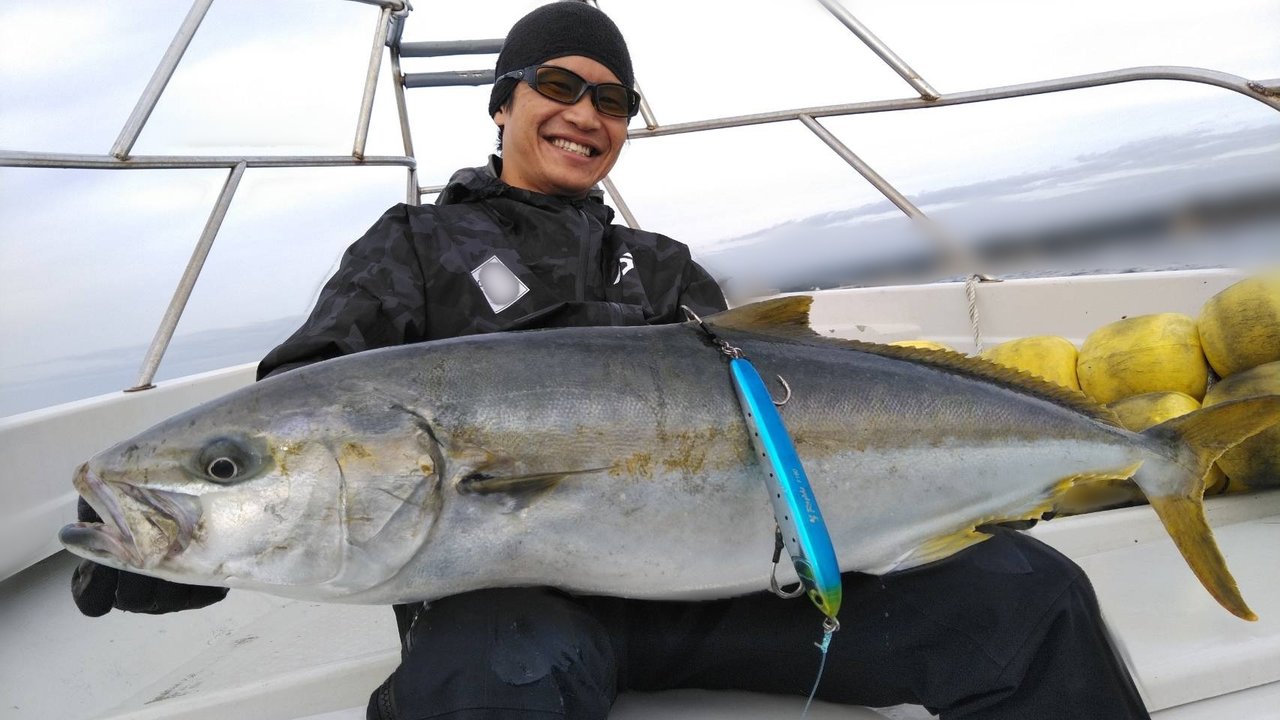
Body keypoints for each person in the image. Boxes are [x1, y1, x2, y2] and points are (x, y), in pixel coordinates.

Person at [72, 3, 1152, 719]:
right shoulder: (411, 247)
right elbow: (297, 416)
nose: (585, 113)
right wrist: (194, 539)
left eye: (612, 100)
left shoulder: (664, 266)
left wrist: (939, 482)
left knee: (1027, 595)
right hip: (519, 601)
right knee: (495, 683)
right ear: (502, 102)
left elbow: (776, 426)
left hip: (733, 590)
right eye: (557, 84)